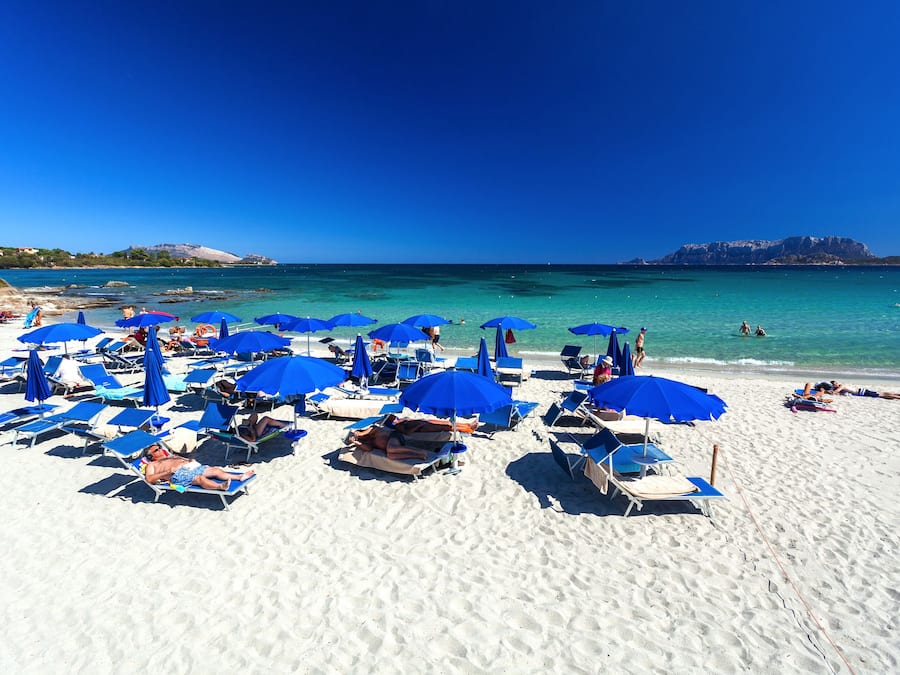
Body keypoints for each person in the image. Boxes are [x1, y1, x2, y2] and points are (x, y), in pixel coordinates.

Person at [141, 445, 254, 491]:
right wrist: (168, 471)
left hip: (190, 467)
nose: (160, 450)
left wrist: (190, 460)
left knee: (215, 470)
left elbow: (182, 458)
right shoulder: (152, 465)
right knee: (199, 479)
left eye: (159, 447)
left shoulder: (170, 456)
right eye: (157, 450)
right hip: (177, 474)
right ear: (151, 456)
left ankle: (239, 477)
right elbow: (149, 479)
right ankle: (220, 487)